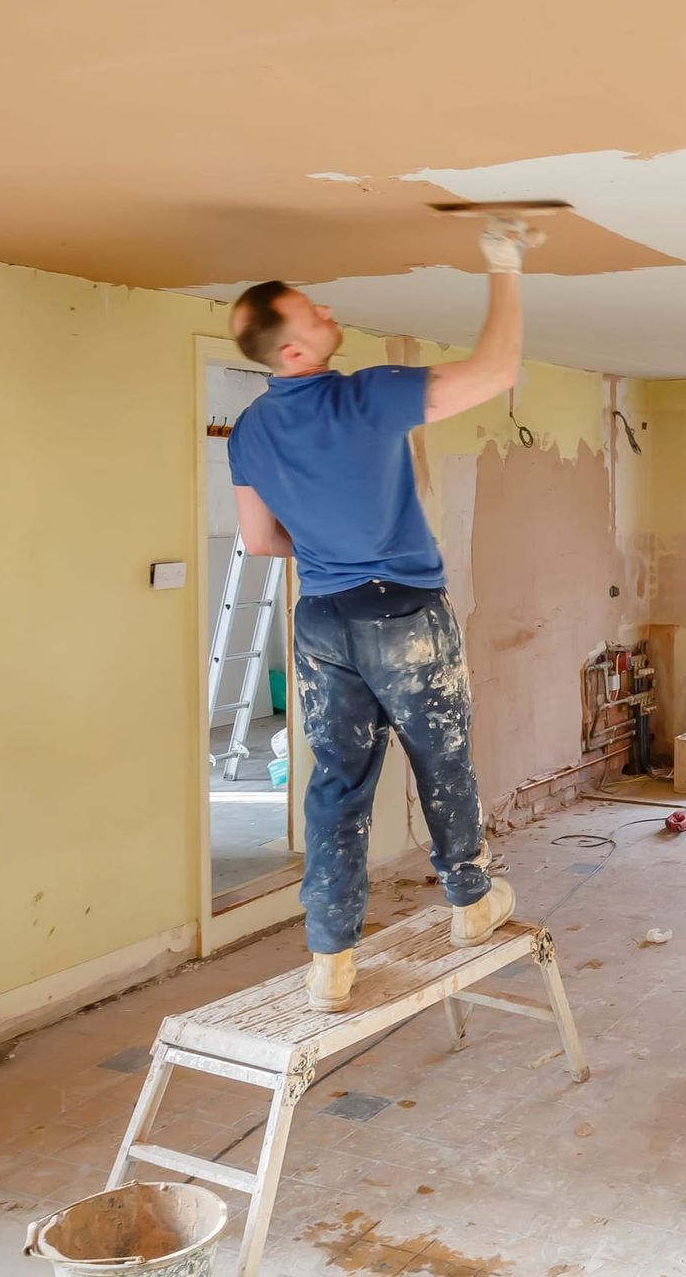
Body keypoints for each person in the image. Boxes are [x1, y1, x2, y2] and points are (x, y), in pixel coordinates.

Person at [224, 217, 540, 1010]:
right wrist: (504, 265)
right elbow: (498, 369)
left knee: (337, 784)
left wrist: (333, 543)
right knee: (442, 758)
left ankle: (329, 959)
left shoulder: (252, 428)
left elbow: (260, 539)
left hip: (323, 621)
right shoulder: (365, 396)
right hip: (401, 612)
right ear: (293, 351)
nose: (329, 313)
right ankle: (471, 904)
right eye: (313, 313)